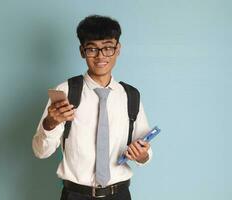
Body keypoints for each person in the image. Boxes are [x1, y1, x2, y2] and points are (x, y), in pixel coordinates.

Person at [32, 15, 153, 200]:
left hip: (119, 194)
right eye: (92, 49)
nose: (100, 56)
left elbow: (145, 150)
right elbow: (41, 152)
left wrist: (142, 155)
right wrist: (50, 123)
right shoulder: (65, 92)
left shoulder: (130, 96)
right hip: (76, 194)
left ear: (117, 49)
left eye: (108, 48)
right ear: (82, 51)